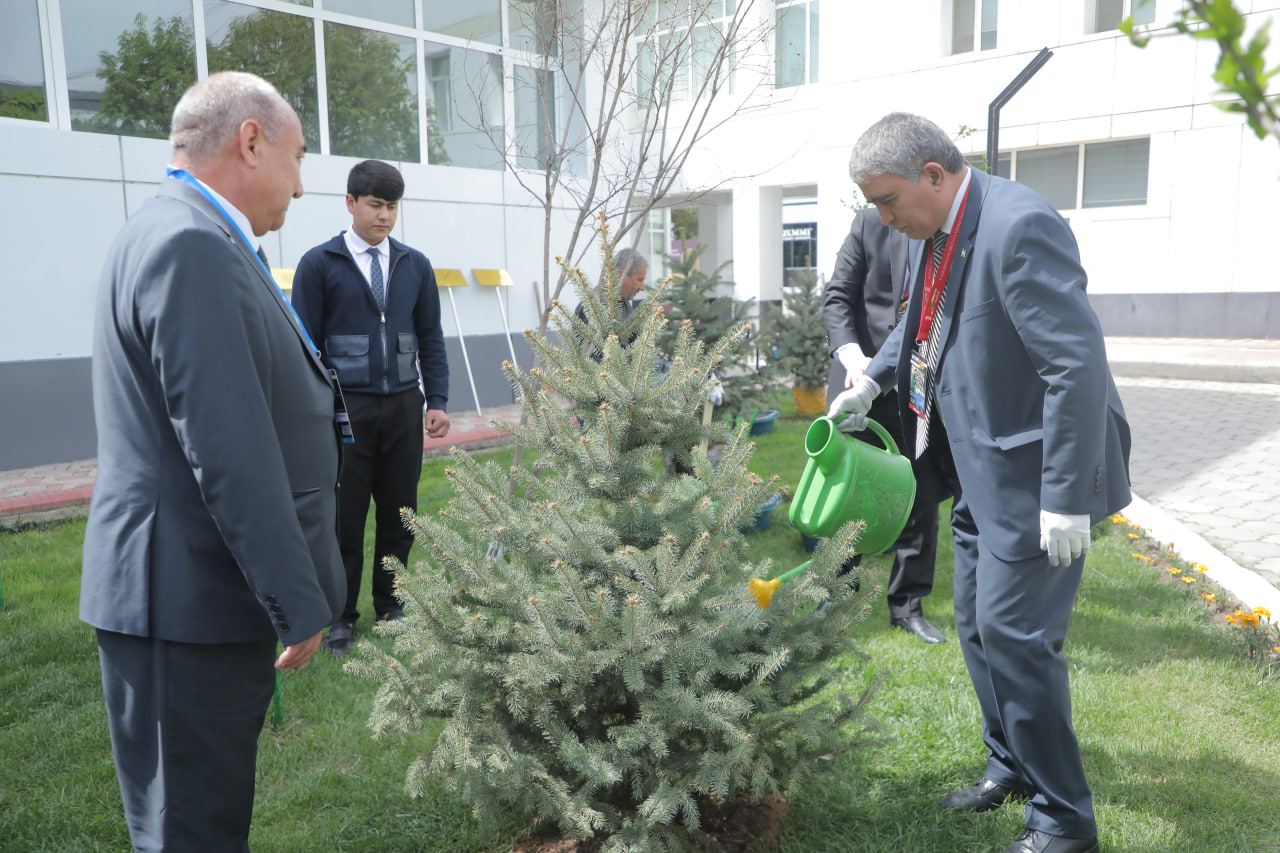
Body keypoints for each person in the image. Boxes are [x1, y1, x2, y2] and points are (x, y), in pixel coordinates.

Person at [830, 112, 1131, 853]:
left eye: (886, 200)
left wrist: (1065, 496)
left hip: (1035, 476)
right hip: (977, 465)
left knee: (1015, 635)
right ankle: (1012, 765)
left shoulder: (1019, 226)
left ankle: (1063, 822)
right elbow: (921, 322)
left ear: (934, 175)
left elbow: (1075, 367)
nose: (883, 218)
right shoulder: (934, 230)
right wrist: (870, 381)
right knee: (975, 622)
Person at [80, 71, 345, 851]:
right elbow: (229, 448)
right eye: (298, 158)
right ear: (250, 142)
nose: (301, 185)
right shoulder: (192, 244)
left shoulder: (181, 229)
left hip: (187, 598)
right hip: (183, 601)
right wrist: (295, 599)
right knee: (189, 832)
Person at [292, 159, 450, 656]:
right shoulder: (319, 264)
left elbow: (431, 337)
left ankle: (391, 606)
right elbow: (305, 346)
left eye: (392, 207)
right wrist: (313, 414)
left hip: (403, 406)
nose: (384, 216)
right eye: (376, 205)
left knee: (401, 514)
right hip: (345, 413)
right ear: (351, 203)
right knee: (345, 518)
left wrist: (437, 400)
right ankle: (340, 616)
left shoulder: (414, 265)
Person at [823, 205, 945, 644]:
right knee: (846, 492)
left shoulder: (944, 228)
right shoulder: (869, 223)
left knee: (920, 492)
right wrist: (854, 358)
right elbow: (838, 297)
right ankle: (835, 600)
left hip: (919, 381)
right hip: (856, 377)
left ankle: (908, 606)